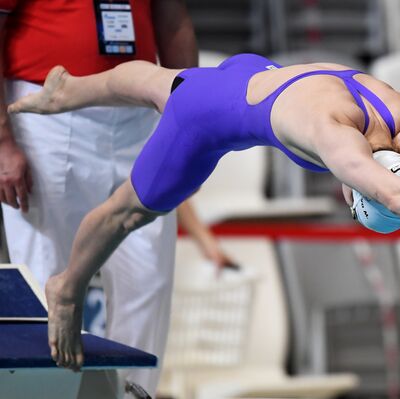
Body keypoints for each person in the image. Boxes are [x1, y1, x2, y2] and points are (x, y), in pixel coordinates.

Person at [8, 53, 400, 371]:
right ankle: (67, 287)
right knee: (129, 211)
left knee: (159, 82)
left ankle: (72, 90)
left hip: (251, 70)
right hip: (206, 116)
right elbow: (399, 195)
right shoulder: (333, 137)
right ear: (358, 196)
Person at [0, 1, 231, 395]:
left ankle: (134, 393)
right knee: (45, 279)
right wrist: (3, 138)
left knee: (148, 281)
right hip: (45, 113)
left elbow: (174, 20)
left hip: (139, 114)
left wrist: (194, 137)